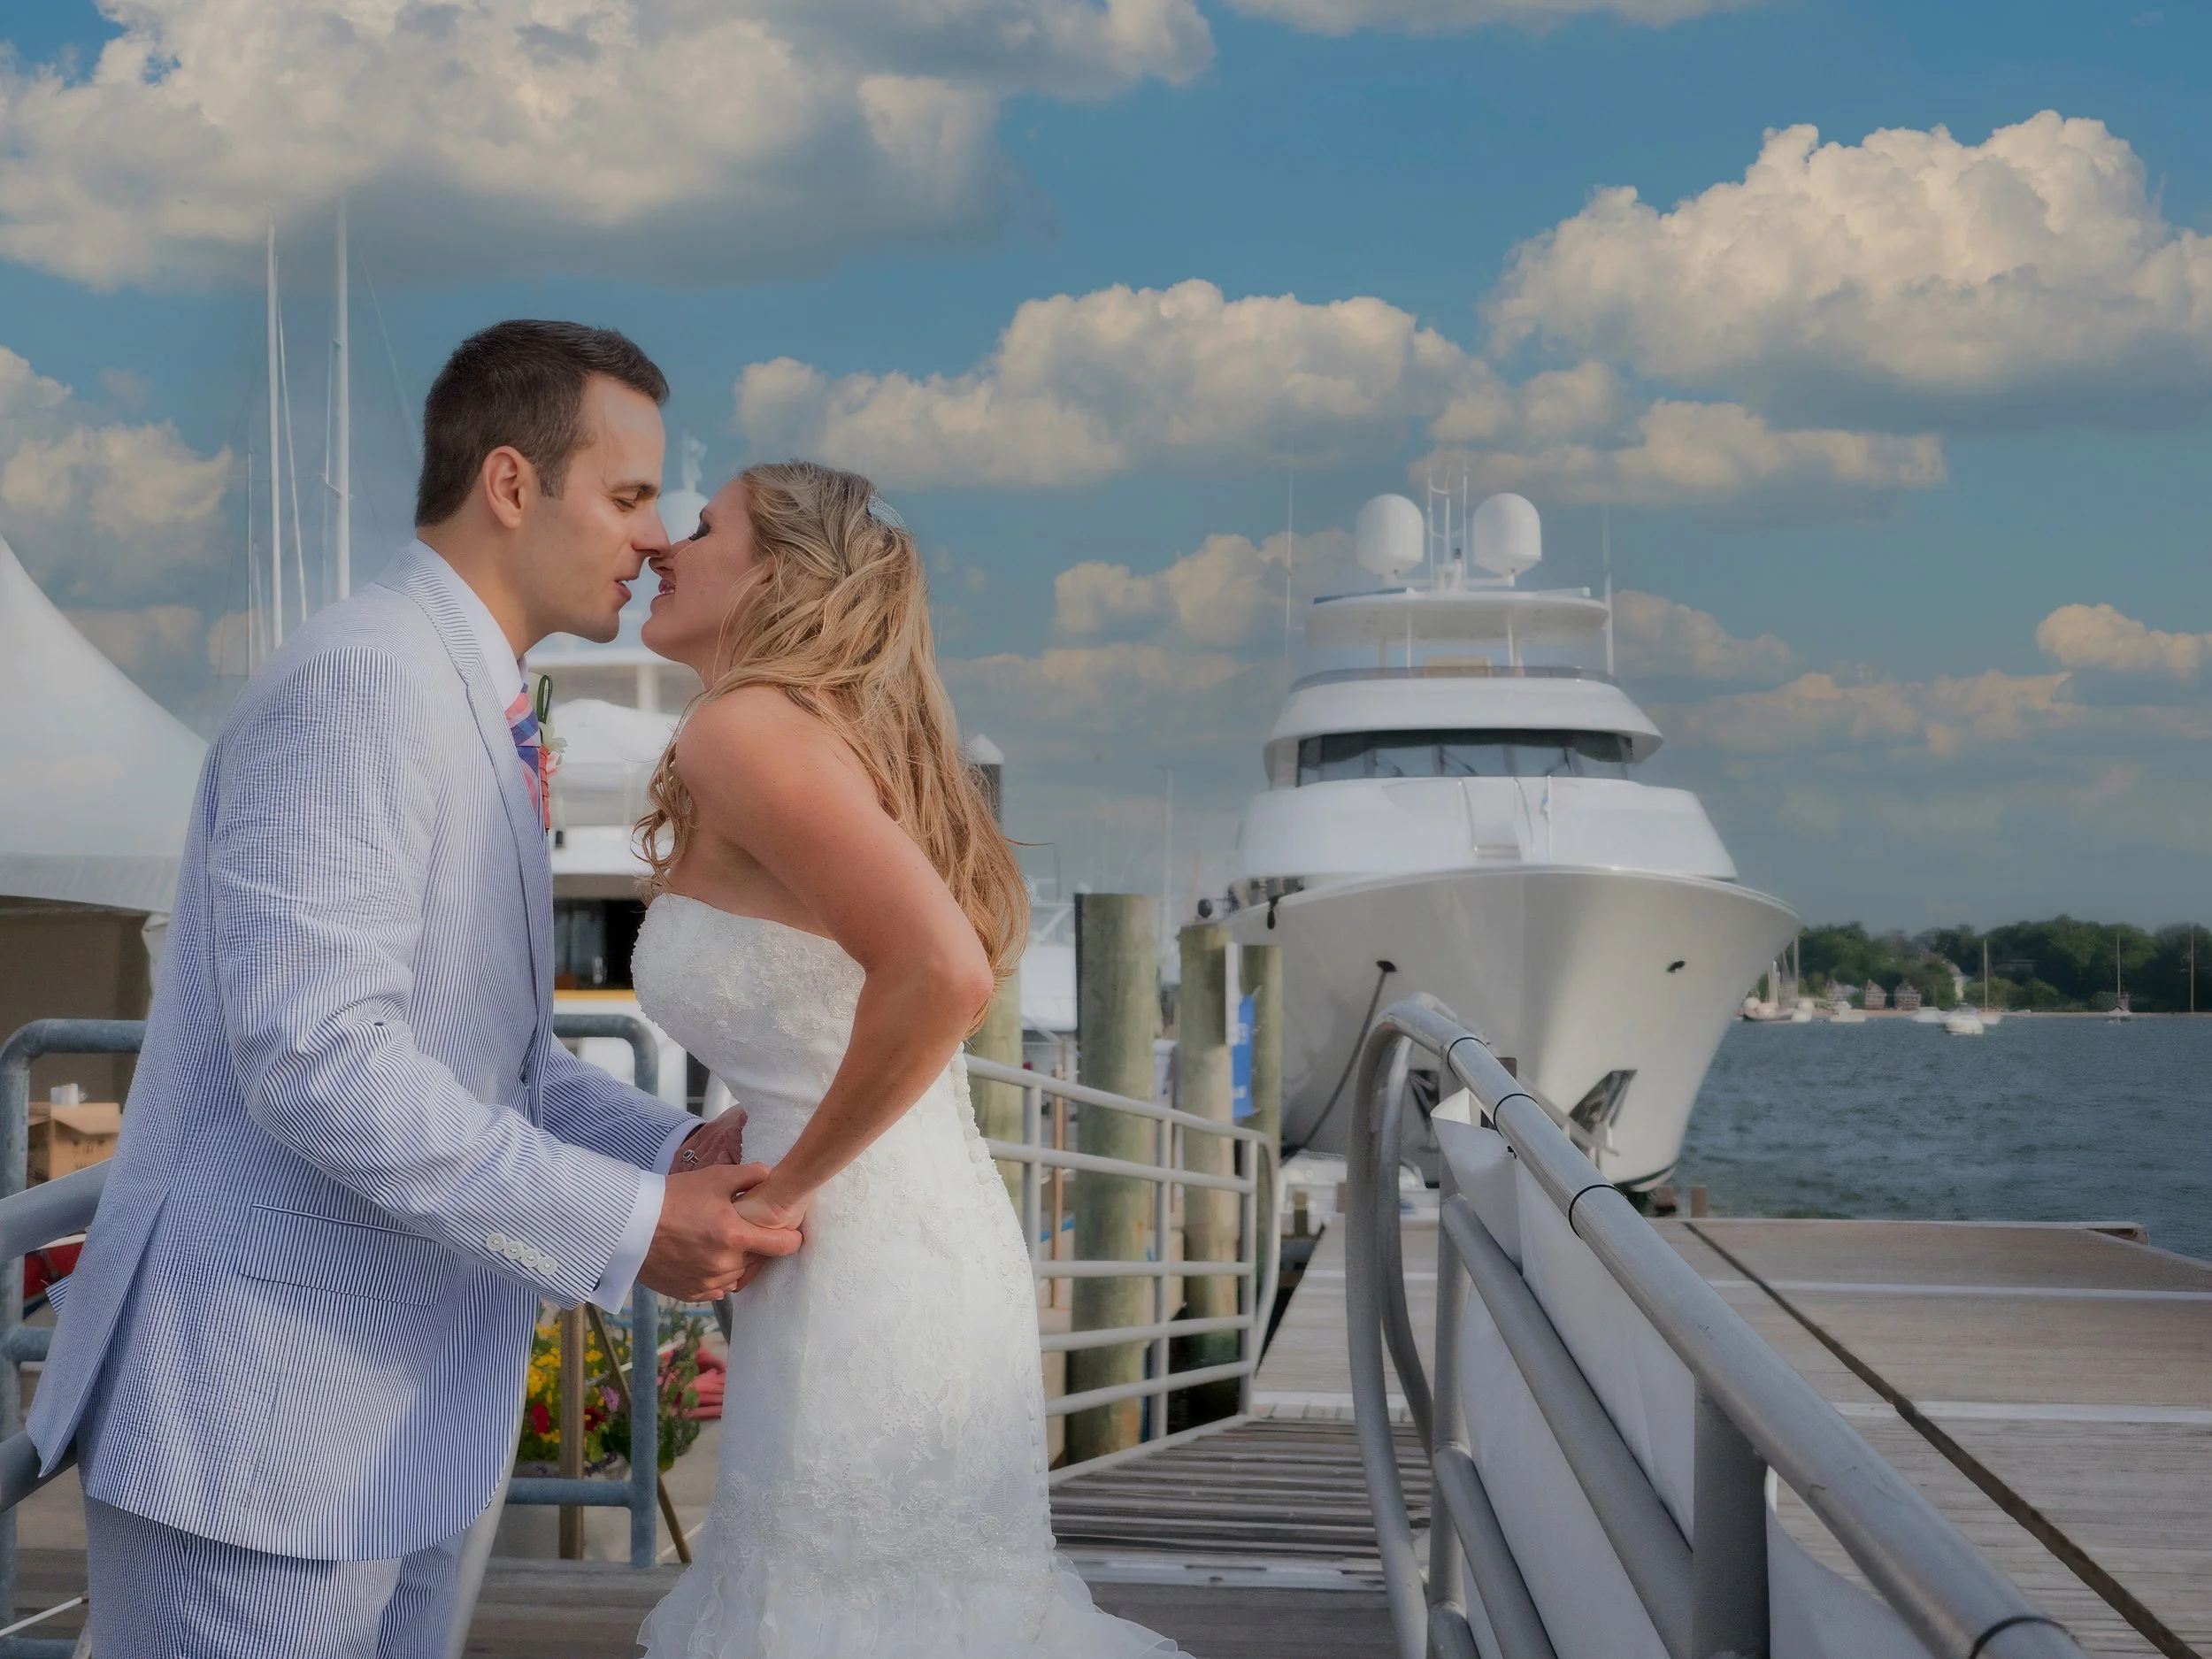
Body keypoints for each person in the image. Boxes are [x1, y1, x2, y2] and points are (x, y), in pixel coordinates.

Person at [27, 320, 802, 1656]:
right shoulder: (365, 679)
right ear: (511, 483)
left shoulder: (477, 699)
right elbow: (319, 1059)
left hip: (403, 1430)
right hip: (265, 1440)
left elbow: (496, 1059)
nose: (656, 535)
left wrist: (682, 1149)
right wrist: (630, 1221)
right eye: (625, 496)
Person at [628, 461, 1180, 1655]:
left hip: (862, 1260)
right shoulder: (809, 735)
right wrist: (754, 1127)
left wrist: (785, 1184)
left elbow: (943, 975)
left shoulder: (741, 730)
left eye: (705, 526)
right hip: (909, 1236)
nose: (667, 546)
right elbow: (841, 999)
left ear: (773, 571)